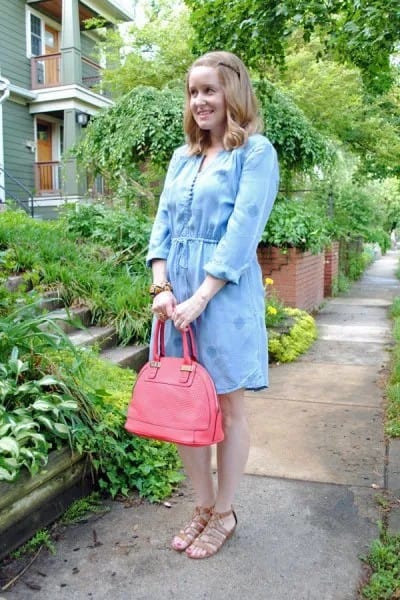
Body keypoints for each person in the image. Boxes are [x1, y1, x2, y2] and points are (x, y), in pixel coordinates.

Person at [146, 50, 279, 559]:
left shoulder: (255, 153)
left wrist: (202, 295)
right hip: (176, 302)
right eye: (193, 91)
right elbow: (161, 227)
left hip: (220, 299)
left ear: (233, 92)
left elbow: (242, 234)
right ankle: (201, 506)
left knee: (227, 405)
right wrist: (162, 287)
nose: (200, 100)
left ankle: (225, 513)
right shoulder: (182, 157)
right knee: (186, 407)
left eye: (209, 90)